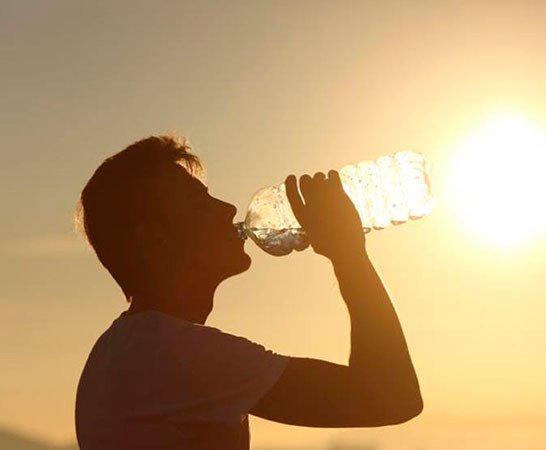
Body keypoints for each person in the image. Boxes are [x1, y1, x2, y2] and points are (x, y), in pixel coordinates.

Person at [74, 135, 422, 449]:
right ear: (155, 241)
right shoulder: (171, 353)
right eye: (199, 204)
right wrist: (348, 254)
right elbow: (391, 397)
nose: (227, 209)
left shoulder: (119, 351)